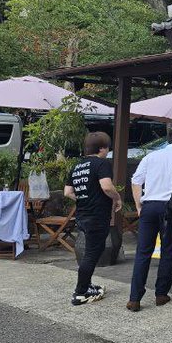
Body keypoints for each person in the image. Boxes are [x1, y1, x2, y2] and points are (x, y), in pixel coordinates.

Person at [126, 127, 172, 312]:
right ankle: (161, 294)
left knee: (143, 252)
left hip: (149, 206)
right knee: (168, 251)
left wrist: (138, 205)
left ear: (168, 140)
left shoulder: (151, 157)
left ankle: (134, 298)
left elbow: (136, 180)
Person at [64, 131, 122, 306]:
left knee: (91, 250)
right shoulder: (101, 164)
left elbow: (68, 192)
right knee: (92, 253)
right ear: (102, 148)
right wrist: (117, 197)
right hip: (97, 215)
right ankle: (80, 292)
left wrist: (84, 199)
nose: (107, 152)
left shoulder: (76, 166)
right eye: (107, 149)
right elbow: (106, 187)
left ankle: (87, 285)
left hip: (82, 215)